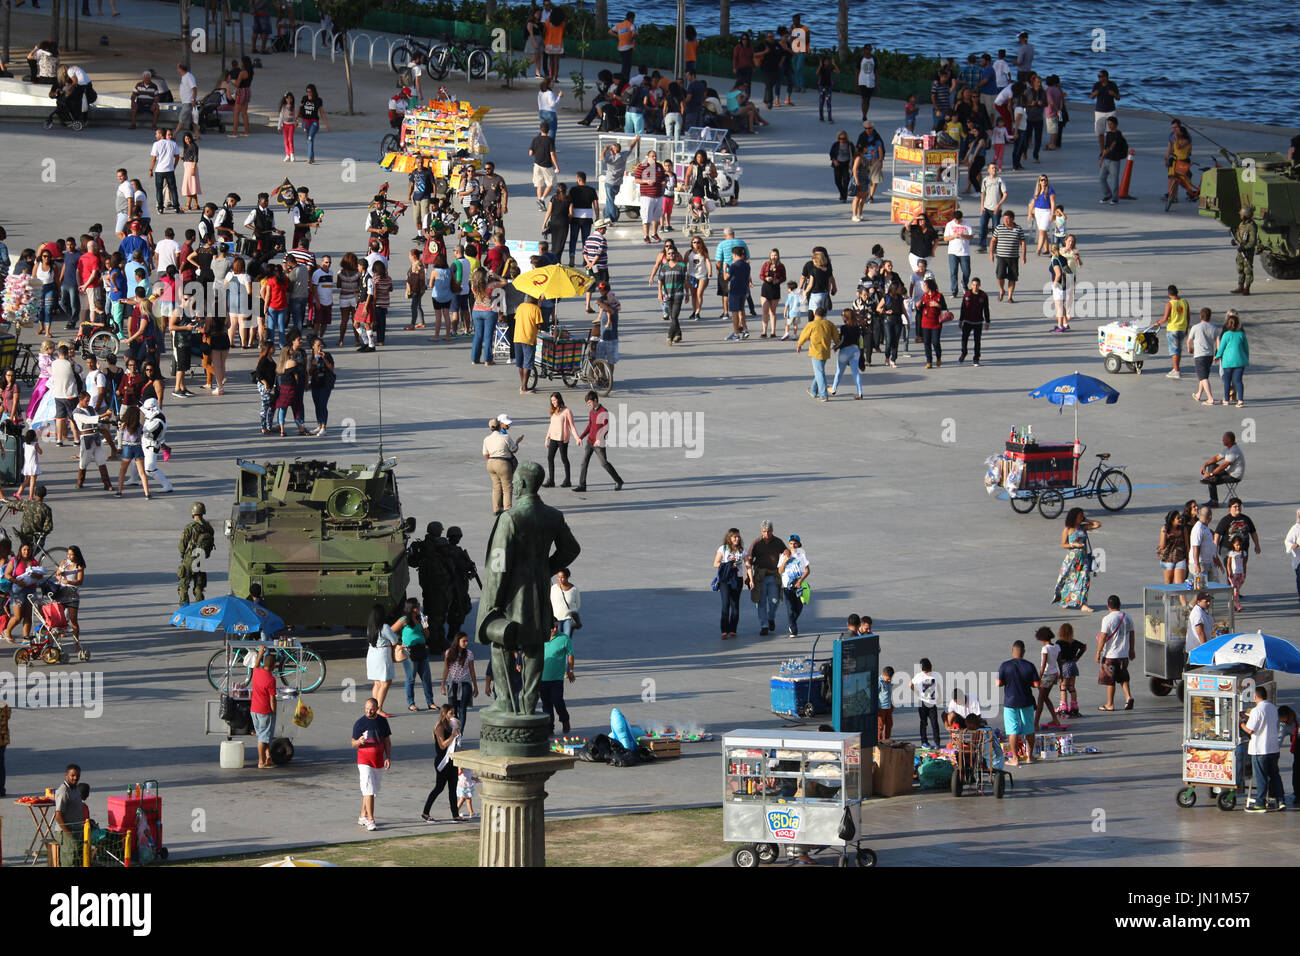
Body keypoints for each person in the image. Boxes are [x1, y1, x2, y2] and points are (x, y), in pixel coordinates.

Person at [997, 640, 1040, 766]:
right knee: (1029, 729)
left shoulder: (1005, 665)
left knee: (1012, 731)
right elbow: (1037, 684)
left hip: (1010, 702)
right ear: (1024, 652)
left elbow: (998, 683)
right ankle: (1030, 757)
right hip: (1026, 701)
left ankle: (1015, 758)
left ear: (1012, 651)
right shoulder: (1030, 665)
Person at [352, 697, 392, 831]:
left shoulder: (382, 722)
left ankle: (362, 816)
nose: (368, 712)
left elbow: (387, 740)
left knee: (372, 791)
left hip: (378, 761)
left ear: (377, 708)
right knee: (369, 789)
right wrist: (359, 742)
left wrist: (388, 757)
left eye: (371, 709)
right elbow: (353, 743)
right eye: (367, 709)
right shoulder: (360, 723)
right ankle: (371, 820)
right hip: (364, 761)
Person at [1242, 687, 1284, 812]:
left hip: (1260, 749)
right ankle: (1280, 800)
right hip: (1273, 748)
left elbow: (1250, 730)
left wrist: (1242, 723)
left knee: (1261, 777)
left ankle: (1260, 803)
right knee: (1275, 776)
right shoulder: (1273, 708)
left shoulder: (1256, 710)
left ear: (1255, 697)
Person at [1053, 507, 1100, 612]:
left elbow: (1098, 524)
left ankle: (1083, 604)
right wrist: (1073, 544)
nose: (1081, 518)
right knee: (1068, 579)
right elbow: (1063, 544)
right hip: (1072, 559)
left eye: (1082, 516)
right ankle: (1066, 600)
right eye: (1079, 516)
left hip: (1083, 559)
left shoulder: (1083, 527)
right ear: (1074, 517)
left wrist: (1086, 520)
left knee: (1085, 580)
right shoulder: (1067, 529)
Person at [573, 391, 622, 493]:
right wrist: (580, 437)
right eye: (587, 404)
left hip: (599, 444)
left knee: (604, 463)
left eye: (590, 403)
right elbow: (589, 426)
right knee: (584, 463)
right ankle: (582, 485)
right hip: (590, 442)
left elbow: (606, 428)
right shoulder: (591, 412)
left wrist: (599, 439)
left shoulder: (603, 411)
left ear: (595, 400)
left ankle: (618, 481)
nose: (589, 405)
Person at [421, 703, 461, 822]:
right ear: (444, 714)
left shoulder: (451, 725)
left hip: (452, 760)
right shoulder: (440, 727)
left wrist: (456, 730)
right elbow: (442, 745)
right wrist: (453, 736)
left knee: (453, 788)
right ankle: (425, 812)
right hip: (442, 761)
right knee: (439, 787)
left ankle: (455, 814)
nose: (453, 715)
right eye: (451, 713)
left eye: (454, 713)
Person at [394, 596, 434, 712]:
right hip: (409, 651)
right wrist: (398, 643)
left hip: (421, 649)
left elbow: (427, 635)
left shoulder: (421, 618)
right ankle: (411, 703)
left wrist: (425, 625)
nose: (419, 605)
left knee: (426, 677)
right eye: (417, 604)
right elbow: (391, 630)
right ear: (412, 608)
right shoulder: (404, 620)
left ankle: (430, 702)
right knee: (411, 678)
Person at [1095, 595, 1135, 711]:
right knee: (1123, 676)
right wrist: (1131, 650)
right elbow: (1132, 634)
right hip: (1124, 653)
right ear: (1120, 604)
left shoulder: (1107, 619)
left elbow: (1103, 636)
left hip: (1111, 654)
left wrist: (1098, 651)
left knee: (1110, 679)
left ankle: (1110, 704)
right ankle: (1128, 697)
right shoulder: (1127, 617)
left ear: (1108, 606)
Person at [177, 501, 214, 605]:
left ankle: (184, 609)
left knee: (183, 585)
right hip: (201, 559)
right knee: (199, 586)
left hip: (190, 558)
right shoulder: (208, 527)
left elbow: (182, 546)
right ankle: (199, 608)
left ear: (193, 513)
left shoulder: (190, 527)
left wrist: (183, 555)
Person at [714, 528, 746, 640]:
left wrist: (750, 578)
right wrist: (728, 564)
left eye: (738, 537)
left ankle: (733, 629)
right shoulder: (723, 549)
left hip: (737, 579)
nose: (737, 539)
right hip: (725, 579)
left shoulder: (741, 550)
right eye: (734, 537)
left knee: (735, 605)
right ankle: (724, 630)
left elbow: (747, 563)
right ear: (729, 538)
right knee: (726, 604)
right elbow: (716, 563)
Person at [249, 647, 278, 769]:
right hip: (265, 711)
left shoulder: (256, 672)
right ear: (273, 666)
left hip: (254, 710)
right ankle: (261, 762)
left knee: (263, 735)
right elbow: (272, 698)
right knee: (263, 737)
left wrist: (260, 653)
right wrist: (274, 711)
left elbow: (255, 665)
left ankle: (268, 758)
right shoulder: (271, 680)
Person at [365, 605, 395, 717]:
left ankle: (373, 707)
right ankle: (379, 708)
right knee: (385, 682)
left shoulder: (370, 627)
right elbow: (394, 640)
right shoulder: (384, 627)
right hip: (382, 656)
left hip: (372, 655)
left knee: (377, 683)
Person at [777, 533, 810, 637]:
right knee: (790, 608)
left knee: (799, 607)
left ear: (799, 544)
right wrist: (785, 562)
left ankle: (792, 622)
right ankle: (793, 629)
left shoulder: (802, 555)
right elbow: (779, 571)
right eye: (791, 544)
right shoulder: (783, 556)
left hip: (798, 586)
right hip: (787, 586)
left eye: (795, 544)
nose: (793, 546)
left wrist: (800, 580)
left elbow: (808, 571)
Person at [1199, 431, 1244, 506]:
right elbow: (1217, 458)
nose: (1222, 440)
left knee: (1212, 478)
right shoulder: (1228, 448)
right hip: (1228, 471)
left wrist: (1210, 474)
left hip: (1234, 476)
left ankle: (1214, 501)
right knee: (1211, 465)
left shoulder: (1234, 451)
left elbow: (1224, 465)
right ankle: (1210, 479)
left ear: (1229, 440)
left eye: (1224, 439)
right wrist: (1205, 464)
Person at [1214, 311, 1249, 407]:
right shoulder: (1241, 334)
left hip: (1228, 361)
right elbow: (1246, 348)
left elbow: (1221, 348)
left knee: (1226, 381)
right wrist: (1246, 358)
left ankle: (1226, 399)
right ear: (1238, 324)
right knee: (1238, 381)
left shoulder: (1226, 335)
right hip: (1240, 361)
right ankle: (1240, 400)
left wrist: (1217, 356)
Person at [990, 210, 1026, 302]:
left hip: (1013, 257)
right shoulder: (999, 228)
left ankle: (1010, 297)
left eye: (1007, 219)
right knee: (1000, 276)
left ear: (1012, 219)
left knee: (1012, 277)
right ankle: (1002, 289)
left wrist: (1023, 256)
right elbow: (993, 241)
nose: (1005, 221)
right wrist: (991, 253)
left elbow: (1022, 242)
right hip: (1001, 256)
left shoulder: (1018, 228)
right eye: (1004, 219)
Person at [52, 764, 84, 866]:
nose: (75, 778)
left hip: (77, 830)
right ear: (66, 775)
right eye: (72, 775)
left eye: (77, 775)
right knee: (70, 861)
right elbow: (58, 815)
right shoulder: (63, 791)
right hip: (66, 832)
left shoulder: (75, 789)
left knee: (77, 860)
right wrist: (69, 834)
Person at [543, 392, 576, 488]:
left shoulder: (567, 411)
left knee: (564, 458)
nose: (553, 402)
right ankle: (551, 481)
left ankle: (567, 480)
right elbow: (551, 425)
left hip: (562, 439)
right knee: (550, 457)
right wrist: (547, 438)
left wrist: (577, 438)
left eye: (554, 400)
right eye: (551, 401)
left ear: (559, 399)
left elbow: (572, 426)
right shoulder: (553, 411)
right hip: (553, 438)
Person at [1188, 307, 1220, 405]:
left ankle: (1210, 398)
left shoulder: (1195, 327)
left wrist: (1190, 349)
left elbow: (1189, 341)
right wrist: (1217, 354)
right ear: (1210, 317)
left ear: (1200, 316)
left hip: (1199, 355)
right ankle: (1198, 394)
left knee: (1203, 377)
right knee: (1204, 375)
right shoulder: (1214, 328)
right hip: (1209, 355)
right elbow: (1218, 342)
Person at [910, 658, 942, 748]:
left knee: (934, 723)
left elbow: (938, 685)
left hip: (932, 704)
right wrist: (917, 692)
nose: (926, 673)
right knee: (924, 723)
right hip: (923, 703)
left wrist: (939, 696)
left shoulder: (935, 675)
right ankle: (924, 742)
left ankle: (937, 743)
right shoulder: (919, 676)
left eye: (927, 671)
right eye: (925, 671)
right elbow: (910, 684)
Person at [1034, 626, 1061, 729]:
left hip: (1047, 675)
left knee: (1040, 699)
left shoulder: (1045, 649)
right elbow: (1059, 662)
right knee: (1045, 697)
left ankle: (1035, 724)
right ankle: (1055, 720)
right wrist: (1061, 674)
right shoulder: (1057, 647)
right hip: (1055, 674)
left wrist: (1039, 678)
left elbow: (1043, 664)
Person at [1189, 505, 1223, 586]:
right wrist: (1197, 565)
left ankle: (1210, 598)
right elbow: (1195, 547)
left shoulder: (1205, 528)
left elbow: (1210, 546)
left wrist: (1216, 559)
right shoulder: (1198, 528)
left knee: (1213, 586)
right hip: (1201, 564)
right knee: (1201, 588)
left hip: (1209, 562)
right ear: (1210, 516)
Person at [530, 122, 560, 211]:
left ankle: (541, 204)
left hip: (536, 165)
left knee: (539, 184)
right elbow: (552, 154)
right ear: (548, 130)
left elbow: (530, 153)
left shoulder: (535, 139)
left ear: (540, 129)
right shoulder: (550, 140)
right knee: (551, 183)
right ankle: (542, 199)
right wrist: (557, 166)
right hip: (547, 165)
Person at [1099, 115, 1128, 205]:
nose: (1109, 126)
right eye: (1108, 124)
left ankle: (1115, 198)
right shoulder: (1108, 134)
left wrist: (1108, 150)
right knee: (1101, 178)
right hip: (1106, 159)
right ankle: (1108, 194)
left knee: (1114, 180)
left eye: (1111, 124)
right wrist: (1101, 158)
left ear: (1116, 124)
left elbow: (1113, 145)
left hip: (1115, 160)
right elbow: (1106, 147)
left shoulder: (1118, 134)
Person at [1089, 69, 1120, 153]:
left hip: (1110, 110)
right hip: (1099, 111)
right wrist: (1095, 93)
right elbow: (1091, 97)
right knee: (1100, 132)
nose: (1099, 78)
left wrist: (1113, 94)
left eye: (1101, 76)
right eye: (1098, 76)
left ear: (1106, 77)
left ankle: (1110, 149)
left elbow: (1118, 98)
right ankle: (1102, 150)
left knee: (1111, 132)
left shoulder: (1112, 85)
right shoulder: (1097, 85)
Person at [1158, 509, 1190, 585]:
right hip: (1167, 558)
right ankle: (1167, 597)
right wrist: (1164, 533)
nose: (1180, 519)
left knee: (1179, 583)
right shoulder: (1165, 529)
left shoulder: (1183, 529)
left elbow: (1186, 544)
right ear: (1172, 520)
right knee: (1168, 583)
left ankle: (1179, 597)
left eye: (1180, 517)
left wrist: (1188, 560)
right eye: (1178, 518)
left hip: (1180, 558)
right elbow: (1162, 546)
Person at [1230, 205, 1257, 295]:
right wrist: (1235, 240)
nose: (1240, 216)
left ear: (1246, 215)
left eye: (1242, 214)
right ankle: (1240, 286)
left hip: (1247, 251)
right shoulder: (1241, 224)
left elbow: (1252, 241)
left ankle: (1247, 288)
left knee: (1248, 269)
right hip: (1240, 250)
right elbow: (1239, 235)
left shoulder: (1252, 226)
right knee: (1240, 268)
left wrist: (1244, 247)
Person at [877, 666, 895, 740]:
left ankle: (886, 740)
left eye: (890, 678)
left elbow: (888, 694)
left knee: (889, 724)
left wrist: (891, 704)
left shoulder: (889, 681)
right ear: (883, 675)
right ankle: (878, 742)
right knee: (880, 726)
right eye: (887, 679)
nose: (889, 680)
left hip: (888, 706)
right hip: (881, 708)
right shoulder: (879, 682)